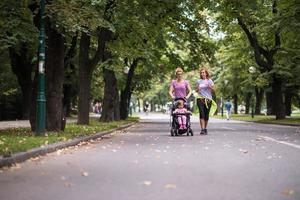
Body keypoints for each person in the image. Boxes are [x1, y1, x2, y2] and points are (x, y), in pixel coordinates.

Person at [195, 67, 216, 135]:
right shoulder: (198, 81)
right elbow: (196, 91)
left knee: (206, 115)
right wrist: (198, 88)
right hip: (200, 98)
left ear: (206, 73)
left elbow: (214, 90)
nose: (202, 74)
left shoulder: (210, 81)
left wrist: (210, 87)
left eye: (203, 72)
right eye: (201, 73)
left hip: (208, 99)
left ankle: (205, 128)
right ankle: (202, 129)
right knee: (202, 113)